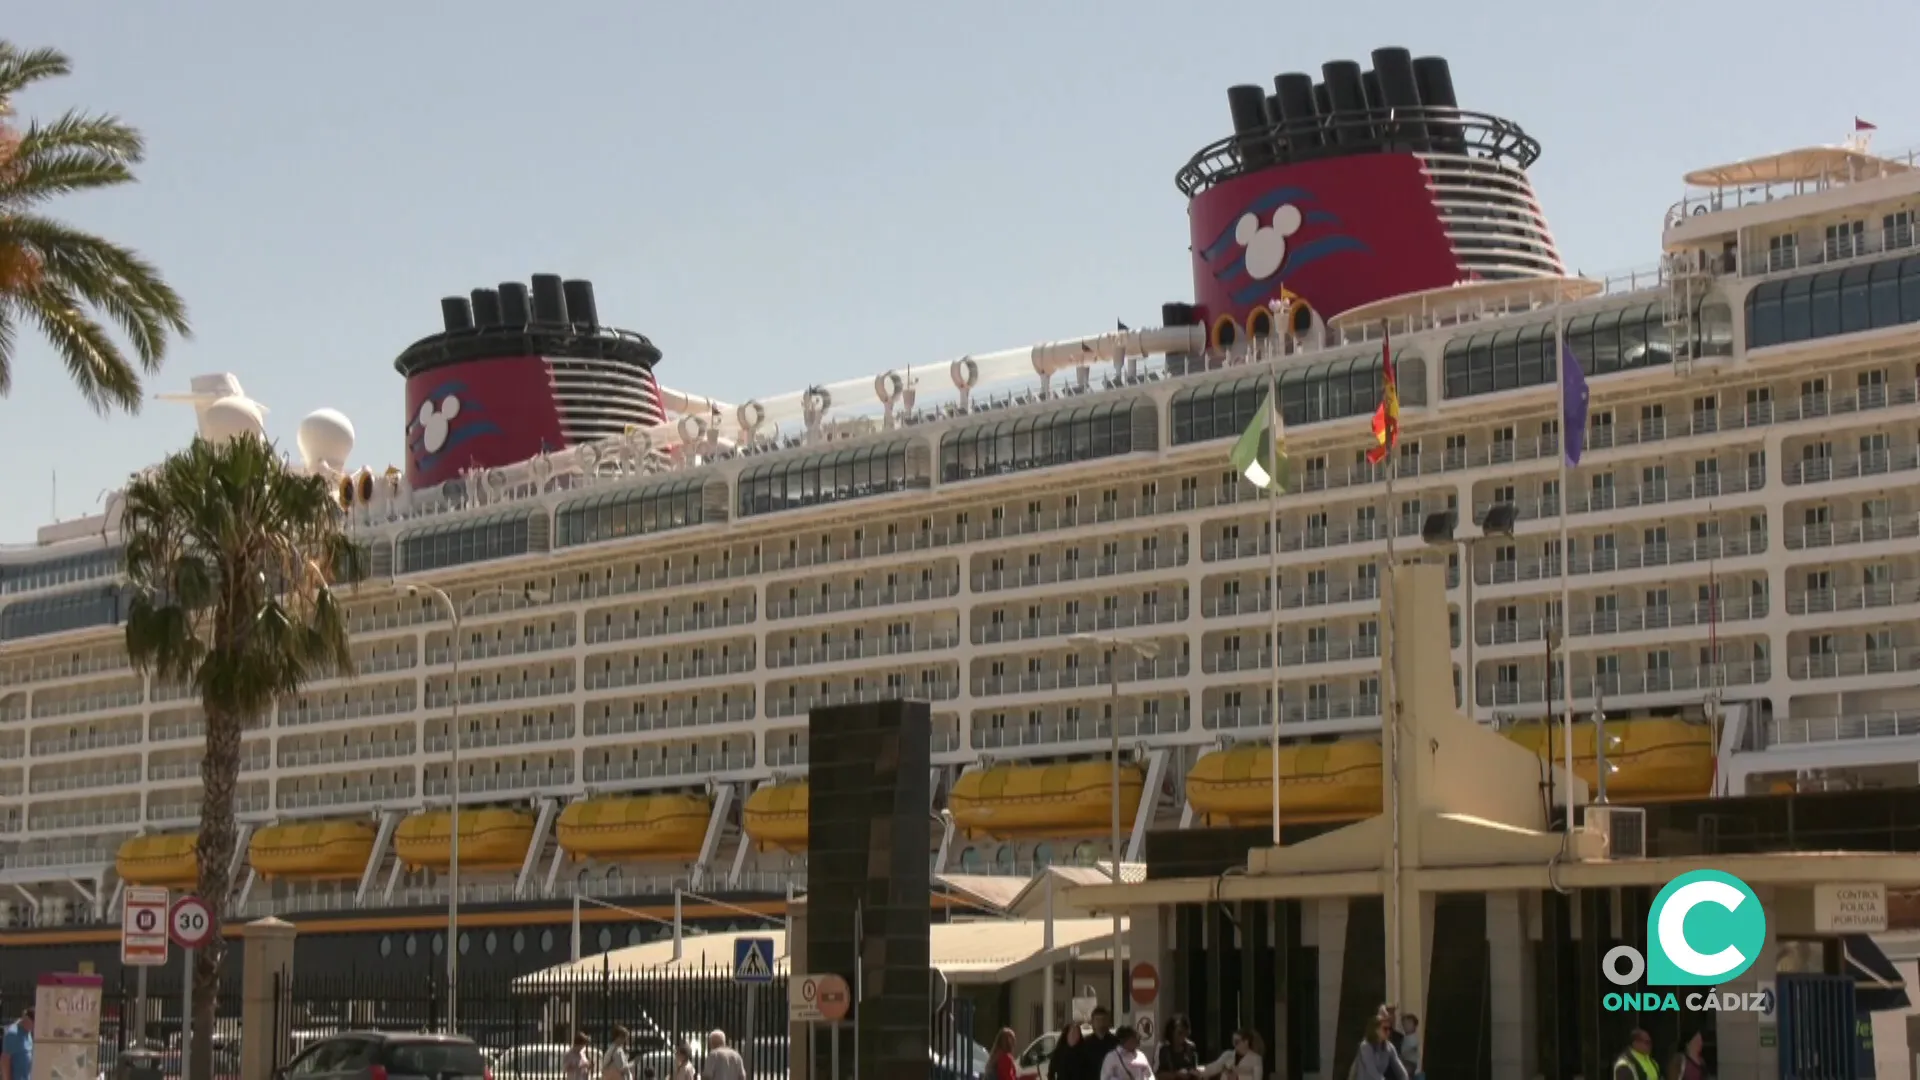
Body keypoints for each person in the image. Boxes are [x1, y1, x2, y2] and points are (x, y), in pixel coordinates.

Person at [1350, 1013, 1409, 1080]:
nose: (1388, 1032)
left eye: (1389, 1029)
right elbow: (1371, 1070)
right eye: (1385, 1029)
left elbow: (1399, 1067)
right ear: (1375, 1030)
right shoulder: (1365, 1046)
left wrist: (1404, 1078)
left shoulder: (1389, 1047)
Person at [1197, 1029, 1263, 1080]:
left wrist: (1237, 1078)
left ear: (1246, 1042)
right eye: (1233, 1041)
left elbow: (1257, 1078)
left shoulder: (1256, 1059)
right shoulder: (1228, 1054)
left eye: (1236, 1042)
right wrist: (1199, 1071)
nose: (1234, 1044)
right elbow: (1215, 1066)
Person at [1, 1009, 31, 1080]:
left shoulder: (28, 1032)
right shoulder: (13, 1034)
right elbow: (5, 1061)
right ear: (27, 1019)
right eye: (33, 1024)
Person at [1398, 1014, 1422, 1080]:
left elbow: (1410, 1054)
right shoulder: (1404, 1038)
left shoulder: (1415, 1038)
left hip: (1415, 1069)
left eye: (1409, 1023)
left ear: (1415, 1025)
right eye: (1404, 1023)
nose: (1406, 1025)